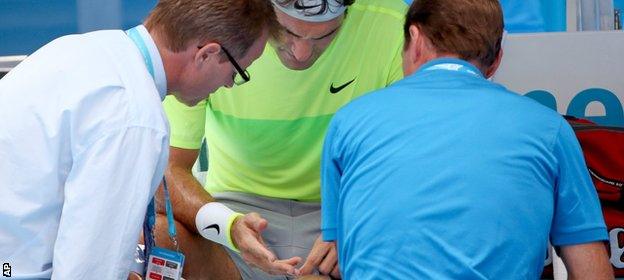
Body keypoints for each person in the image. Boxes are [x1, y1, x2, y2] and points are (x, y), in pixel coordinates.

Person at [320, 0, 614, 279]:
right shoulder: (550, 129)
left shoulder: (347, 121)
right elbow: (591, 268)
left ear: (416, 40)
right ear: (496, 60)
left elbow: (346, 257)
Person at [0, 0, 276, 278]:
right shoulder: (135, 118)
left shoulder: (86, 48)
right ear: (206, 54)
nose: (228, 85)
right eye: (237, 72)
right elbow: (89, 271)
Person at [159, 0, 408, 278]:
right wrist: (229, 225)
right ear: (259, 11)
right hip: (233, 215)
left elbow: (409, 169)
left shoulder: (395, 24)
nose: (301, 54)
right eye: (286, 32)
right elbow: (168, 169)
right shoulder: (216, 22)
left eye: (325, 35)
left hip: (344, 215)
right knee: (156, 235)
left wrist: (354, 223)